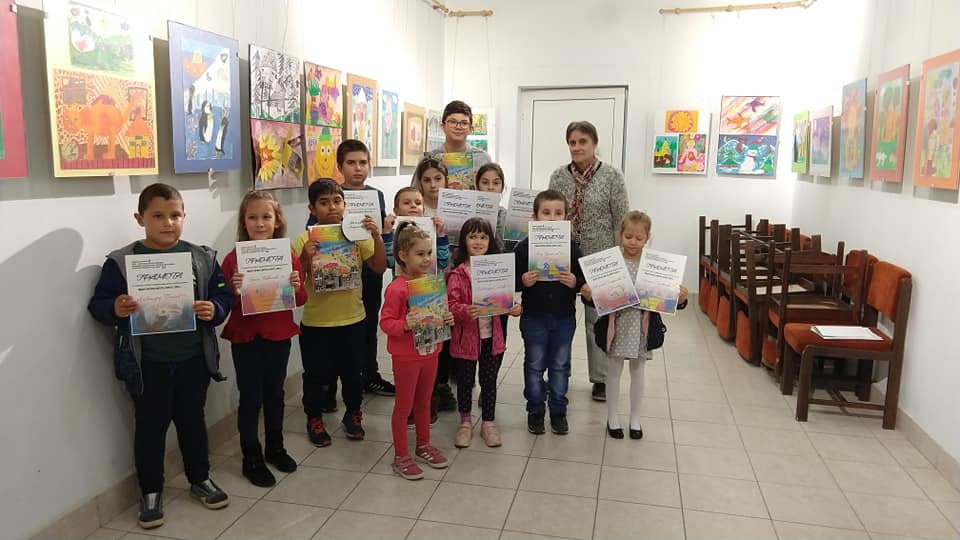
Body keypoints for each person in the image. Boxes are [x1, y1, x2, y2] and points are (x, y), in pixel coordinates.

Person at [88, 183, 232, 530]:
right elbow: (98, 305)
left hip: (193, 360)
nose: (168, 223)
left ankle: (200, 478)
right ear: (140, 219)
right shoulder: (121, 263)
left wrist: (214, 308)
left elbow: (223, 296)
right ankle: (150, 490)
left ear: (184, 216)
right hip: (147, 365)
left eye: (175, 215)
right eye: (158, 216)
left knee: (193, 422)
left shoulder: (202, 257)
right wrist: (116, 308)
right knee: (150, 429)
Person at [220, 190, 307, 487]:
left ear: (277, 220)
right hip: (246, 338)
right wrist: (233, 290)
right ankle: (251, 456)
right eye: (252, 217)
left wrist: (296, 286)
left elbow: (300, 299)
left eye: (266, 217)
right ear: (243, 222)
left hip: (278, 335)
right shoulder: (233, 259)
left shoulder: (287, 256)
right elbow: (224, 303)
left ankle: (275, 447)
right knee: (250, 397)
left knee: (275, 394)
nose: (259, 223)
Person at [293, 179, 386, 447]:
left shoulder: (356, 234)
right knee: (315, 375)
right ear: (312, 208)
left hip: (353, 319)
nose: (332, 207)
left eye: (337, 201)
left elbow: (379, 267)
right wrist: (306, 257)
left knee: (353, 372)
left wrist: (377, 236)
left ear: (345, 204)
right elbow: (296, 282)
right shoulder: (304, 239)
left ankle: (353, 414)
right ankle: (314, 417)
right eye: (324, 203)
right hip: (316, 323)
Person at [582, 211, 688, 439]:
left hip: (642, 326)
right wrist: (589, 293)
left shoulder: (654, 265)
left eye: (639, 238)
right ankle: (612, 417)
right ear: (620, 234)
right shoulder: (611, 263)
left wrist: (680, 298)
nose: (633, 242)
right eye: (628, 236)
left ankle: (635, 418)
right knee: (614, 370)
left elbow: (670, 299)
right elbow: (595, 297)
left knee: (638, 371)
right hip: (616, 325)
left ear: (647, 238)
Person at [548, 120, 630, 402]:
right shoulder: (558, 176)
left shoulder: (612, 176)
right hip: (563, 255)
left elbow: (622, 220)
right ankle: (560, 372)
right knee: (560, 317)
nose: (577, 147)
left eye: (583, 141)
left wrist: (622, 259)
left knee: (598, 319)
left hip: (601, 258)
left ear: (594, 143)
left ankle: (601, 379)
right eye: (572, 142)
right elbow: (549, 213)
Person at [307, 139, 395, 399]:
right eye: (351, 163)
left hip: (369, 270)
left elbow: (379, 232)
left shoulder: (376, 195)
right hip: (338, 271)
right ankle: (330, 385)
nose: (358, 168)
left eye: (363, 162)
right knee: (336, 333)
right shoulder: (329, 195)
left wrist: (383, 230)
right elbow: (313, 231)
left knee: (368, 325)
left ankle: (369, 375)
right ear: (340, 166)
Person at [379, 222, 454, 479]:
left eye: (429, 253)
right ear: (403, 255)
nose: (426, 259)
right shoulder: (397, 288)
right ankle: (400, 456)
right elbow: (385, 322)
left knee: (425, 402)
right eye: (420, 254)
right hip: (406, 357)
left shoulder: (432, 285)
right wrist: (404, 324)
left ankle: (423, 445)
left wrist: (447, 318)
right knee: (404, 406)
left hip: (431, 351)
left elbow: (439, 313)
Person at [514, 190, 585, 435]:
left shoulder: (573, 248)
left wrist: (575, 282)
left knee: (560, 365)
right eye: (546, 213)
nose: (552, 218)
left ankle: (558, 411)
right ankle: (535, 410)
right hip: (533, 317)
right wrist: (522, 280)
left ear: (566, 218)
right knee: (534, 365)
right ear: (534, 217)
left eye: (558, 213)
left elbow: (583, 281)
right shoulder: (523, 249)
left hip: (564, 317)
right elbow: (512, 282)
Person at [446, 218, 522, 448]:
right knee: (465, 382)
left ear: (490, 241)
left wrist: (514, 308)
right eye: (472, 237)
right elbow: (450, 305)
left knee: (489, 381)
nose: (478, 242)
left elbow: (506, 302)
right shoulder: (457, 274)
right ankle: (465, 422)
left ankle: (488, 423)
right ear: (464, 241)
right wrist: (463, 310)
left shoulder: (497, 270)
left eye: (483, 237)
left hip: (492, 338)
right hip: (465, 340)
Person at [383, 186, 450, 272]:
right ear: (396, 210)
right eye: (406, 203)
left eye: (418, 203)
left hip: (428, 279)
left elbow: (443, 263)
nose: (413, 205)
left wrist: (441, 235)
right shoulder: (393, 232)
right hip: (403, 279)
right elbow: (390, 262)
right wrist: (387, 232)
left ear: (423, 210)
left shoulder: (433, 230)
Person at [428, 100, 491, 182]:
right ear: (443, 126)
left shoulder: (483, 158)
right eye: (453, 122)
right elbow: (416, 189)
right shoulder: (430, 158)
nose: (458, 127)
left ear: (471, 129)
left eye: (464, 123)